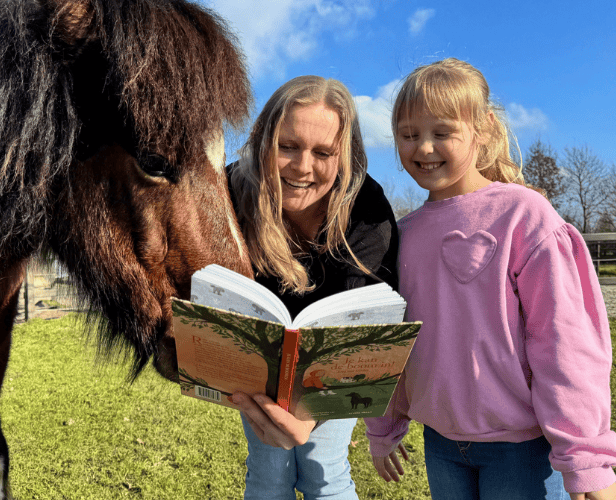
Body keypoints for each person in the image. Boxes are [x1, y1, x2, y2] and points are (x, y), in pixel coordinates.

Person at [364, 57, 616, 500]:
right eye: (408, 135)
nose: (424, 148)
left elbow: (565, 341)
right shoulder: (400, 234)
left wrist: (585, 459)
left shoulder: (524, 216)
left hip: (522, 451)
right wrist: (383, 427)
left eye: (441, 133)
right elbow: (391, 342)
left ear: (482, 129)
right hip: (440, 445)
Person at [227, 75, 399, 499]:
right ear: (263, 139)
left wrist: (312, 413)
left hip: (332, 362)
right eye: (287, 146)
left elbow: (363, 330)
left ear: (345, 158)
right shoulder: (231, 188)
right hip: (259, 367)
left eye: (323, 153)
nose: (303, 167)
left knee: (324, 469)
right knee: (267, 471)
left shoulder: (367, 210)